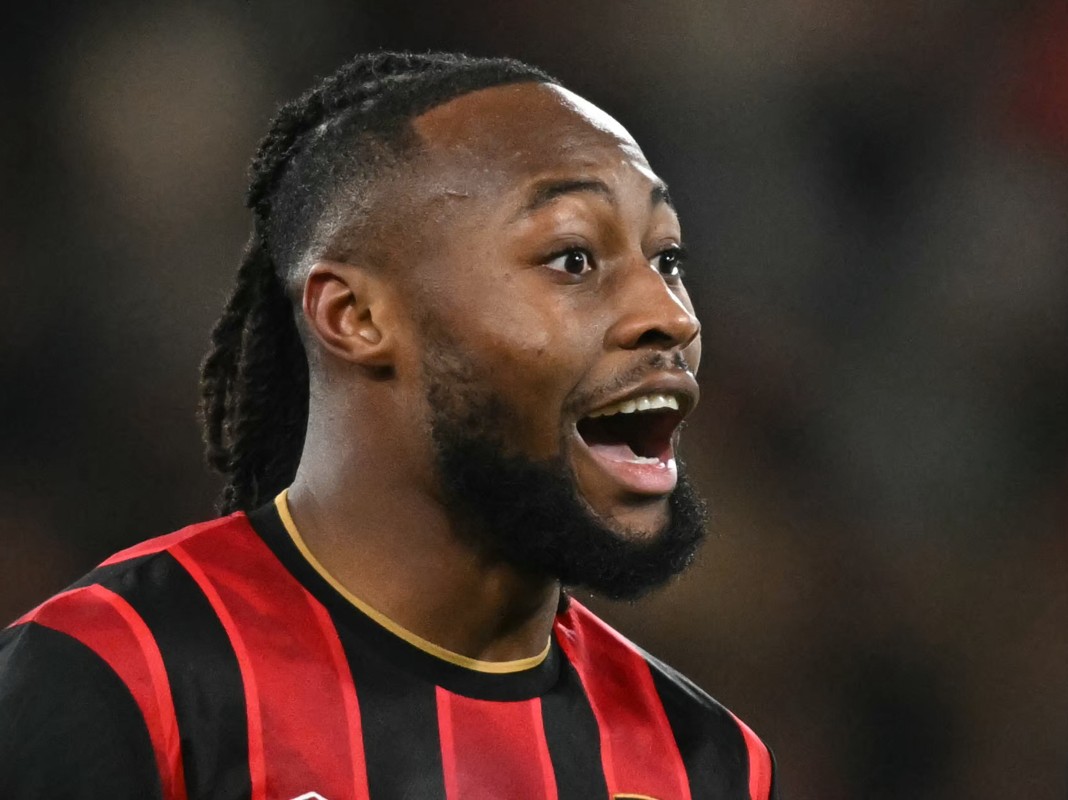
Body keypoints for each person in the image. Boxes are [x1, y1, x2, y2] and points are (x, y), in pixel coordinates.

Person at [0, 51, 776, 798]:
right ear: (357, 316)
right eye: (573, 258)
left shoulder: (702, 762)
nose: (669, 317)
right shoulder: (118, 675)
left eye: (667, 259)